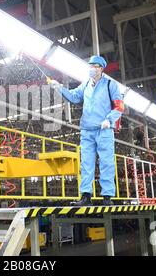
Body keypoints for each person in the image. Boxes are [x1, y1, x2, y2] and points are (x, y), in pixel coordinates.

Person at [49, 55, 124, 206]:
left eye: (95, 66)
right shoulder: (85, 85)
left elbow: (119, 106)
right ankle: (86, 196)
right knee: (86, 163)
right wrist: (59, 88)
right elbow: (74, 97)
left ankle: (107, 196)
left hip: (104, 129)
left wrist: (109, 120)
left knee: (106, 162)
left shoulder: (111, 85)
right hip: (87, 130)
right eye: (90, 66)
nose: (91, 69)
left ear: (101, 68)